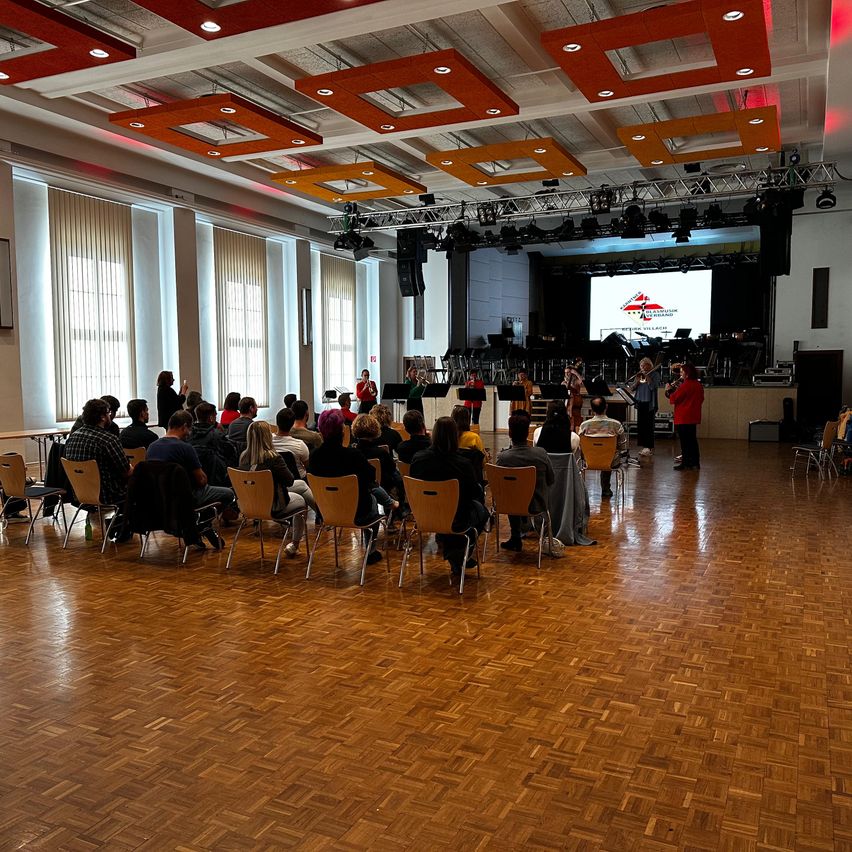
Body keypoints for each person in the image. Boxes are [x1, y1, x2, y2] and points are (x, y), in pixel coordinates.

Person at [409, 416, 488, 579]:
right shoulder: (463, 464)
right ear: (455, 436)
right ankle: (460, 551)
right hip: (456, 518)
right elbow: (473, 492)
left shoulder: (418, 459)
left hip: (425, 515)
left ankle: (454, 550)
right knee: (482, 512)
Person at [308, 409, 382, 565]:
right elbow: (371, 476)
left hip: (326, 511)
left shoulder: (314, 456)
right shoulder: (353, 455)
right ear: (342, 430)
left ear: (321, 431)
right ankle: (371, 550)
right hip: (357, 512)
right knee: (373, 499)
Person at [240, 421, 308, 559]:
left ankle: (323, 512)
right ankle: (295, 544)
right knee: (301, 500)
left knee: (300, 485)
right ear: (267, 437)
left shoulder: (243, 458)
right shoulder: (274, 458)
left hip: (248, 505)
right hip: (273, 505)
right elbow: (289, 481)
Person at [147, 410, 235, 511]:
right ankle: (209, 519)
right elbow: (201, 480)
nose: (189, 433)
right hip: (187, 496)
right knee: (229, 493)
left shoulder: (152, 447)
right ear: (184, 427)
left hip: (161, 497)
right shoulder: (185, 448)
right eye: (190, 429)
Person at [496, 413, 555, 551]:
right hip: (536, 504)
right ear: (528, 432)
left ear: (510, 433)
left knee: (513, 494)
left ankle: (515, 536)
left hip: (508, 504)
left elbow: (498, 486)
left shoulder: (503, 458)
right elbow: (551, 479)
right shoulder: (541, 454)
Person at [65, 397, 130, 507]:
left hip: (79, 493)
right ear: (103, 417)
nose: (111, 416)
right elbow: (127, 472)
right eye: (108, 413)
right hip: (107, 495)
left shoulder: (72, 438)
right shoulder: (108, 440)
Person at [351, 414, 401, 518]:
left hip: (358, 492)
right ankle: (396, 513)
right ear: (375, 429)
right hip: (382, 485)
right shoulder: (381, 453)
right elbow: (392, 469)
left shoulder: (352, 453)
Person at [578, 397, 628, 499]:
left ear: (592, 410)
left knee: (601, 454)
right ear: (606, 407)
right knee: (610, 455)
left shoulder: (584, 426)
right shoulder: (616, 425)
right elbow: (623, 446)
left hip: (589, 461)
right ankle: (605, 489)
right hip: (611, 461)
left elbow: (580, 445)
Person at [189, 401, 237, 487]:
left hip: (194, 480)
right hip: (216, 480)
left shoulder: (188, 435)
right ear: (211, 418)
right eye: (215, 415)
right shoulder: (216, 435)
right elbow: (231, 451)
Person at [667, 363, 704, 470]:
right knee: (692, 441)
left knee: (685, 442)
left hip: (683, 417)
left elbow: (674, 399)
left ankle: (686, 463)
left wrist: (669, 389)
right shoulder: (697, 384)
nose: (681, 373)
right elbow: (701, 399)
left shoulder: (686, 385)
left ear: (687, 373)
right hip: (693, 416)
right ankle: (695, 463)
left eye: (682, 371)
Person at [630, 357, 661, 456]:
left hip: (649, 403)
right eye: (641, 365)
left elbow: (653, 387)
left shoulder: (655, 374)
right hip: (640, 402)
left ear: (649, 365)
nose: (642, 367)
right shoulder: (638, 375)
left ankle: (649, 446)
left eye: (644, 365)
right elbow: (632, 388)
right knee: (641, 426)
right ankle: (644, 447)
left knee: (649, 426)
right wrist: (638, 381)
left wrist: (647, 376)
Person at [273, 407, 310, 477]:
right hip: (298, 481)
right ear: (292, 424)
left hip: (274, 481)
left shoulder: (267, 441)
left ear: (276, 422)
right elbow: (307, 466)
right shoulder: (300, 445)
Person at [562, 361, 585, 431]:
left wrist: (575, 373)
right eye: (565, 373)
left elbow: (582, 381)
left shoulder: (576, 381)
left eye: (568, 372)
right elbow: (566, 389)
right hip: (568, 404)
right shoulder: (564, 382)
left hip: (575, 405)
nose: (567, 374)